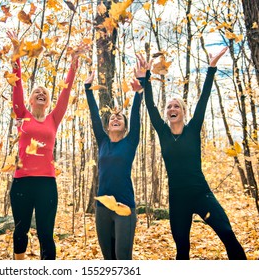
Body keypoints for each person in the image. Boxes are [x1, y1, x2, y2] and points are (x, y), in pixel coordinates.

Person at [136, 47, 247, 260]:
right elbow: (149, 105)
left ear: (183, 111)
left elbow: (204, 99)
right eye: (168, 106)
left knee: (227, 233)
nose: (171, 108)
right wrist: (146, 78)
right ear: (167, 113)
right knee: (182, 249)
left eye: (176, 105)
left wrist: (212, 68)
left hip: (201, 193)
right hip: (178, 199)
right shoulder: (163, 132)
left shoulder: (193, 129)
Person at [7, 31, 88, 260]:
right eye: (36, 92)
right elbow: (17, 87)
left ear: (48, 101)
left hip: (46, 184)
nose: (41, 93)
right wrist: (16, 55)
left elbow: (66, 91)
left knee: (45, 234)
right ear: (30, 100)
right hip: (21, 182)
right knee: (21, 230)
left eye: (44, 92)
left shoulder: (54, 118)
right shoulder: (22, 115)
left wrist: (74, 62)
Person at [84, 71, 142, 260]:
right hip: (102, 207)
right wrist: (87, 89)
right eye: (112, 119)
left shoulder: (130, 142)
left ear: (125, 127)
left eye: (120, 119)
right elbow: (94, 116)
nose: (115, 120)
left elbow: (135, 116)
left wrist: (138, 94)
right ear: (107, 126)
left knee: (123, 258)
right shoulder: (102, 142)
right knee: (108, 259)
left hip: (124, 206)